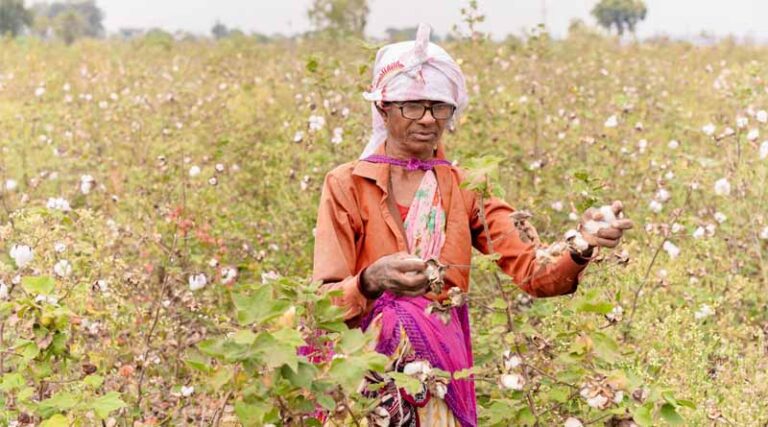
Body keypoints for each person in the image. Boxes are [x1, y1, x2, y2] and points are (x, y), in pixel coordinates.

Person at [312, 24, 633, 427]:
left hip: (440, 377)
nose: (428, 119)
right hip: (364, 376)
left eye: (439, 107)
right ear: (383, 107)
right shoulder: (347, 185)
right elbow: (321, 304)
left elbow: (533, 272)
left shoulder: (465, 187)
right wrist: (369, 281)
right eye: (412, 106)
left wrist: (581, 244)